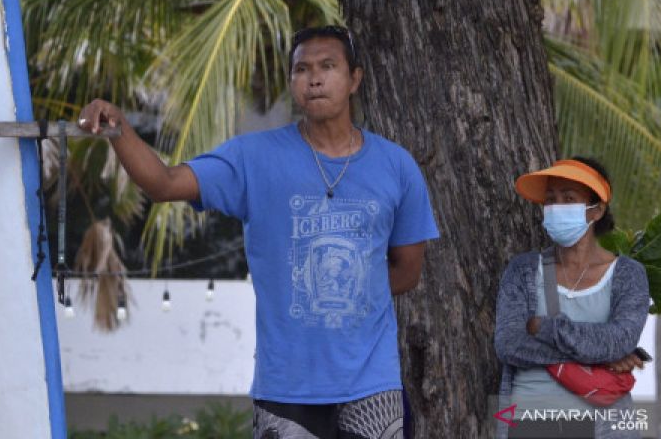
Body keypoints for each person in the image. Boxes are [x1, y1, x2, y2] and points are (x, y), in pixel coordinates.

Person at [79, 25, 439, 439]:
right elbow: (163, 183)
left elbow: (408, 272)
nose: (315, 78)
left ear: (354, 78)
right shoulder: (253, 158)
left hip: (372, 388)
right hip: (286, 387)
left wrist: (345, 293)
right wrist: (119, 129)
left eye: (328, 66)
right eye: (302, 69)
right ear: (291, 82)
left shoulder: (396, 167)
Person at [493, 158, 651, 438]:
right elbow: (509, 344)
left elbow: (619, 340)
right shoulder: (523, 270)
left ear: (597, 210)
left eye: (569, 198)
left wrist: (544, 328)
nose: (556, 208)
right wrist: (600, 357)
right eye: (550, 200)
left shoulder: (628, 274)